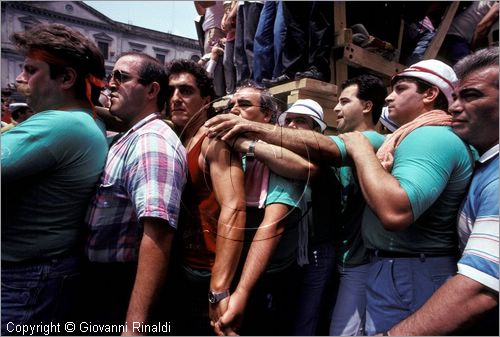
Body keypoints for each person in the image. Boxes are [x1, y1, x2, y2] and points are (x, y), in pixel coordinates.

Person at [338, 59, 474, 335]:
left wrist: (361, 150)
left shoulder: (431, 138)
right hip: (402, 267)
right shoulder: (412, 137)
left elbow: (395, 212)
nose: (389, 96)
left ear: (430, 94)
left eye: (400, 88)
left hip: (410, 270)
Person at [1, 23, 108, 334]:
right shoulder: (85, 121)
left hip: (24, 279)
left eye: (31, 70)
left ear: (66, 78)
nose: (20, 79)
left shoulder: (62, 124)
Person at [385, 47, 499, 336]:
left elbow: (479, 289)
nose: (454, 108)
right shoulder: (485, 163)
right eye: (456, 97)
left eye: (471, 95)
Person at [84, 52, 187, 332]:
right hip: (104, 286)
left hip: (120, 290)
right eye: (111, 76)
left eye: (122, 77)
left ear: (152, 90)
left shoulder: (151, 143)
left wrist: (134, 326)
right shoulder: (129, 136)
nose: (110, 84)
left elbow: (158, 235)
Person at [214, 82, 306, 336]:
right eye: (231, 105)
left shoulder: (282, 154)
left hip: (271, 274)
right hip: (238, 269)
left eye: (244, 105)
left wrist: (242, 292)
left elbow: (273, 224)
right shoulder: (229, 149)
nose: (234, 110)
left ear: (266, 115)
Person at [166, 59, 246, 335]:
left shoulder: (213, 142)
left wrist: (219, 290)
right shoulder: (178, 137)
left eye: (186, 91)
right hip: (182, 267)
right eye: (172, 91)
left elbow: (234, 209)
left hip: (209, 272)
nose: (176, 98)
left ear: (206, 100)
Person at [328, 75, 387, 336]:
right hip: (341, 257)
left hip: (359, 263)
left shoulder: (373, 141)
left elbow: (317, 147)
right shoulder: (348, 142)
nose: (336, 108)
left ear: (367, 106)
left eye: (344, 101)